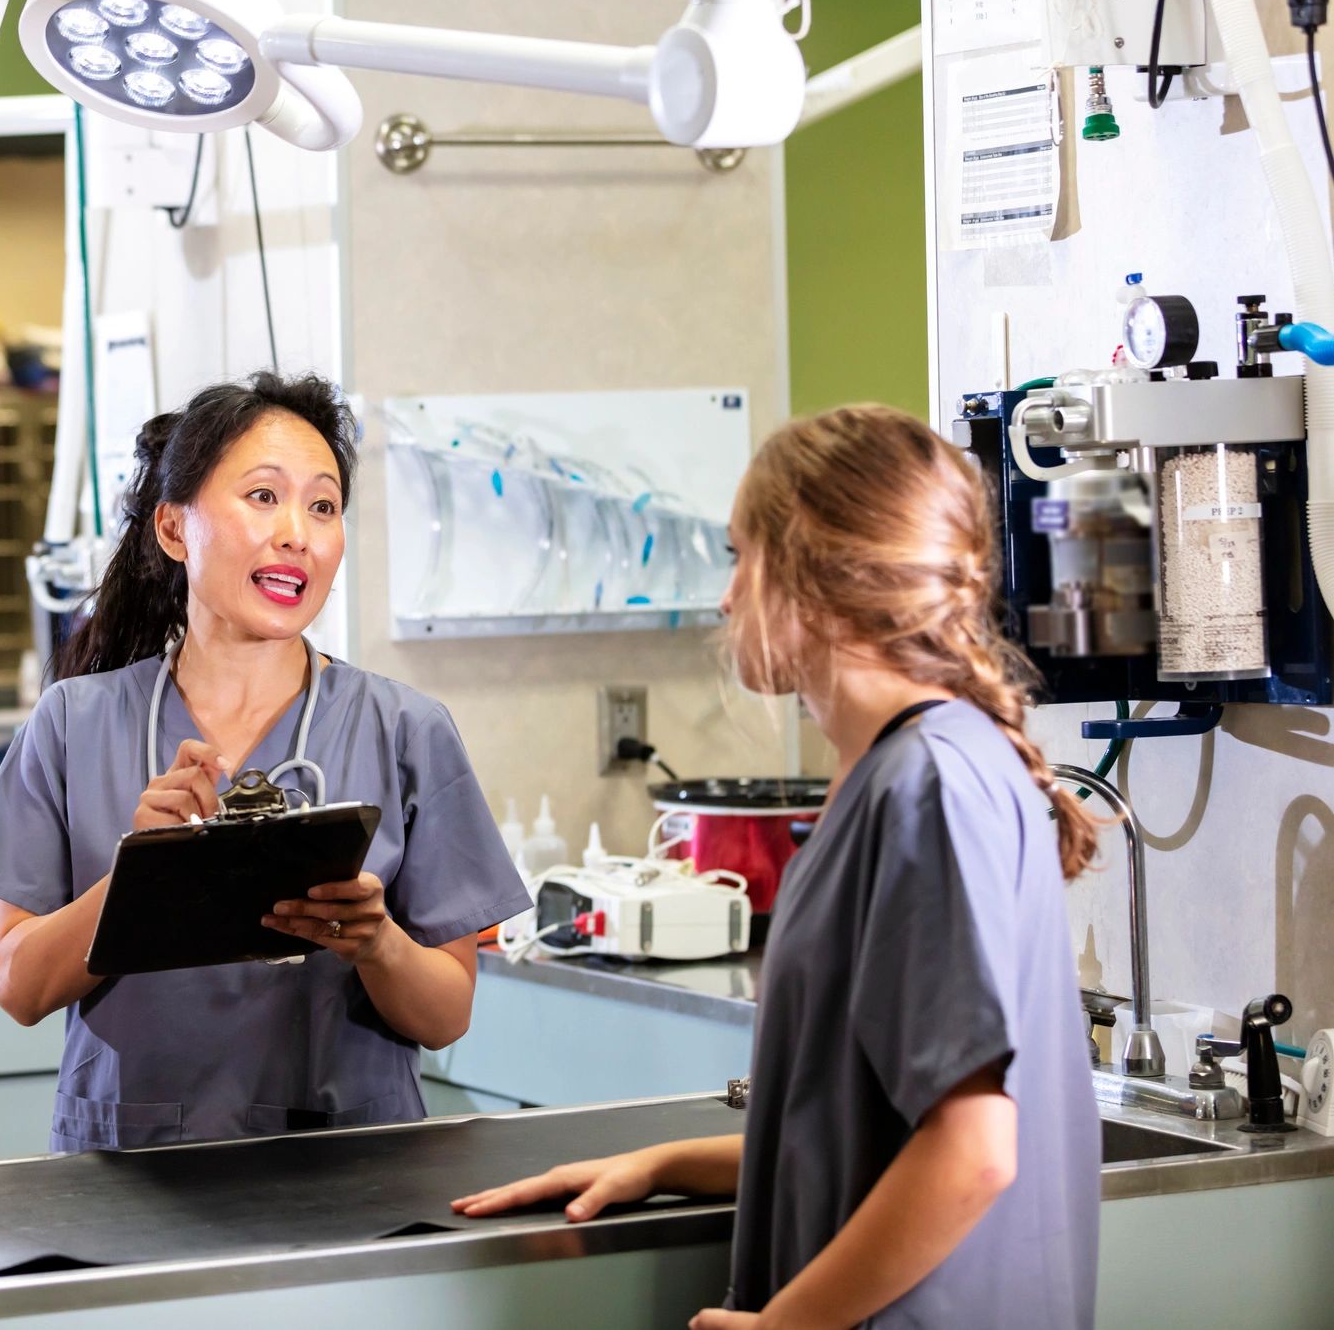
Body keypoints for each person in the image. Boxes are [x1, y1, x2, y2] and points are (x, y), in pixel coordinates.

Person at [453, 405, 1101, 1329]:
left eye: (737, 558)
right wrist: (669, 1163)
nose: (726, 600)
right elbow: (860, 1127)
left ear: (813, 572)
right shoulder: (912, 770)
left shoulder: (925, 788)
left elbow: (971, 1149)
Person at [0, 372, 530, 1152]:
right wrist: (140, 876)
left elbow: (445, 1013)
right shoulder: (72, 725)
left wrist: (377, 941)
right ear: (174, 529)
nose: (297, 532)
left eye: (322, 506)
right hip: (134, 1177)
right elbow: (18, 987)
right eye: (263, 496)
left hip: (350, 1171)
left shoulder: (405, 730)